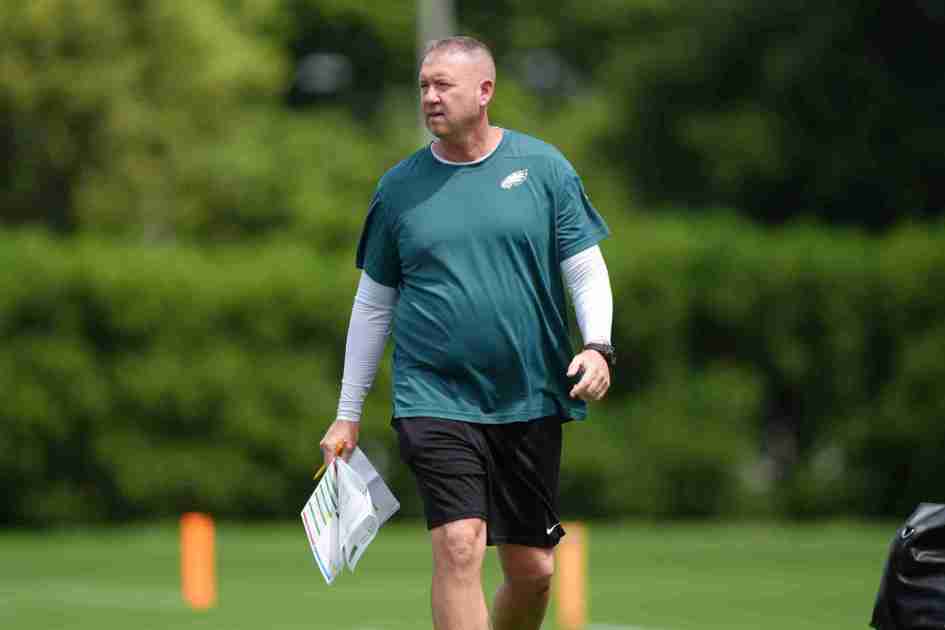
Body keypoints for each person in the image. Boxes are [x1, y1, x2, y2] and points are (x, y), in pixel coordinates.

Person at [318, 35, 615, 630]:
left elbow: (583, 266)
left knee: (534, 572)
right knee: (459, 545)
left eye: (442, 85)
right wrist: (347, 412)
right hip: (434, 398)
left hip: (528, 397)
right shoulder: (398, 188)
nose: (429, 96)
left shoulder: (544, 169)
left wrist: (598, 345)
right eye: (423, 85)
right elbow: (373, 305)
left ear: (484, 92)